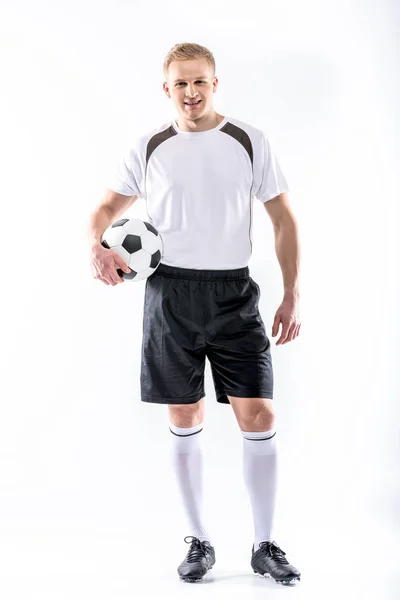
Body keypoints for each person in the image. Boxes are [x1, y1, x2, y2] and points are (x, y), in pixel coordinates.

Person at [87, 42, 302, 585]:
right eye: (180, 83)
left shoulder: (249, 140)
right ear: (167, 89)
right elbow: (107, 209)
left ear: (215, 83)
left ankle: (266, 544)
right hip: (169, 294)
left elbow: (283, 219)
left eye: (200, 81)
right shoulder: (149, 145)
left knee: (261, 416)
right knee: (184, 418)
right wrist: (97, 245)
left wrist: (292, 293)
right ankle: (200, 542)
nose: (191, 92)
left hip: (234, 294)